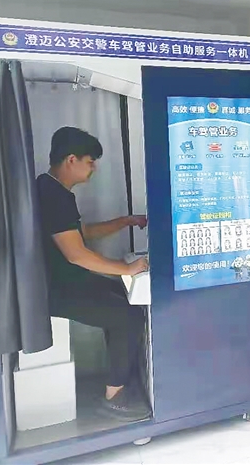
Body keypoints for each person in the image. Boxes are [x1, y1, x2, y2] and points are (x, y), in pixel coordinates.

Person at [36, 127, 151, 422]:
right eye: (90, 162)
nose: (94, 169)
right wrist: (127, 268)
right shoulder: (53, 195)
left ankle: (121, 375)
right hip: (58, 289)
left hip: (67, 281)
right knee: (129, 315)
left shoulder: (52, 189)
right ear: (71, 159)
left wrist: (125, 221)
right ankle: (114, 398)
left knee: (121, 297)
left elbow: (82, 233)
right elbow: (76, 253)